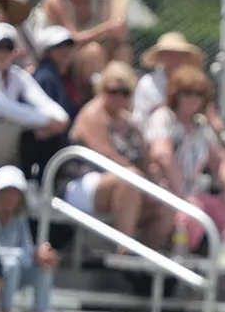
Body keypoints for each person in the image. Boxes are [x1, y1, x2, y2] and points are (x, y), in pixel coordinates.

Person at [62, 61, 169, 248]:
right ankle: (124, 250)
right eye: (112, 91)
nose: (118, 97)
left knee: (165, 202)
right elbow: (106, 156)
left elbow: (145, 158)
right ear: (101, 89)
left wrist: (156, 183)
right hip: (83, 182)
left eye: (125, 92)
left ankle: (149, 261)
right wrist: (141, 179)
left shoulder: (130, 122)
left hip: (127, 181)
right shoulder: (92, 115)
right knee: (130, 179)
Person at [145, 64, 225, 253]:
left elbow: (221, 158)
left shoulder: (201, 126)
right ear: (175, 94)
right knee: (190, 216)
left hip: (192, 193)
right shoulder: (164, 117)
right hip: (166, 191)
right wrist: (182, 196)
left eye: (198, 94)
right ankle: (181, 270)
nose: (193, 99)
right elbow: (162, 155)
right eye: (187, 93)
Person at [0, 165, 56, 312]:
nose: (9, 197)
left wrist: (38, 254)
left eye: (14, 192)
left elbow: (26, 246)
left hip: (13, 270)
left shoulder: (19, 217)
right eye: (5, 191)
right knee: (11, 263)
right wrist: (20, 255)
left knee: (43, 267)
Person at [33, 0, 132, 91]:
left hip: (85, 58)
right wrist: (107, 29)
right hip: (57, 58)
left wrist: (118, 24)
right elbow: (72, 39)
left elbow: (117, 36)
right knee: (93, 52)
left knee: (122, 50)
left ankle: (125, 97)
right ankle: (101, 97)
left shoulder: (98, 0)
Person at [0, 20, 65, 143]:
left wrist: (60, 118)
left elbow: (44, 102)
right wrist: (47, 120)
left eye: (8, 47)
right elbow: (5, 107)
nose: (3, 52)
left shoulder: (16, 74)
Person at [132, 30, 219, 131]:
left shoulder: (194, 83)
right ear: (161, 57)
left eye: (178, 54)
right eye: (168, 54)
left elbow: (208, 112)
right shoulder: (148, 83)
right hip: (154, 133)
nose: (174, 58)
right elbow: (142, 119)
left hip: (190, 133)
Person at [22, 24, 79, 175]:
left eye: (69, 45)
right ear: (47, 51)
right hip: (47, 159)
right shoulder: (45, 78)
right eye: (59, 46)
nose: (66, 50)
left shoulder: (64, 77)